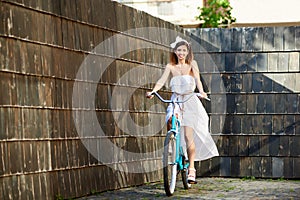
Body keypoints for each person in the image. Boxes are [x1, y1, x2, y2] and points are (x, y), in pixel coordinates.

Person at [146, 36, 219, 184]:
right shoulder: (170, 67)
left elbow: (198, 80)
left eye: (184, 50)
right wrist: (153, 91)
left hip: (189, 101)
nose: (181, 53)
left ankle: (191, 169)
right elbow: (161, 80)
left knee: (187, 135)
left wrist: (202, 92)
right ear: (175, 51)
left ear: (187, 52)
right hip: (176, 100)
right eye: (179, 50)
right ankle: (172, 145)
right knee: (170, 121)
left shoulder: (192, 64)